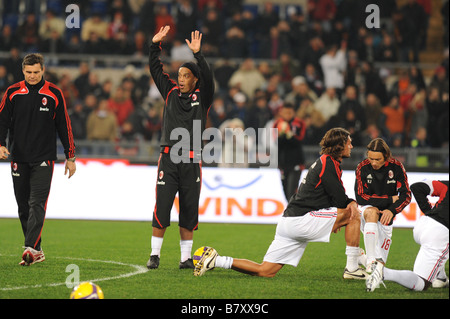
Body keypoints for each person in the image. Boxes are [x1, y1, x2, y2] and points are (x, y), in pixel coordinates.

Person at [194, 128, 367, 280]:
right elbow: (339, 198)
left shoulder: (324, 161)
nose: (351, 146)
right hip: (302, 220)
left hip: (288, 222)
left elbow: (328, 197)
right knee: (353, 214)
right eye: (349, 143)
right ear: (339, 145)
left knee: (265, 270)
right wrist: (349, 206)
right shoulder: (328, 163)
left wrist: (336, 217)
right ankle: (353, 267)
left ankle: (216, 260)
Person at [147, 26, 214, 270]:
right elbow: (156, 69)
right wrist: (155, 46)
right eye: (180, 76)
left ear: (195, 79)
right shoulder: (170, 93)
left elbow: (208, 78)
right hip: (169, 159)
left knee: (189, 210)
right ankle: (155, 255)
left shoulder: (203, 98)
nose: (181, 79)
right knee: (162, 207)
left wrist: (199, 55)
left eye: (186, 76)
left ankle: (185, 259)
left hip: (192, 161)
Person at [0, 53, 76, 266]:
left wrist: (71, 156)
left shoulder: (54, 93)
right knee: (23, 206)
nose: (32, 76)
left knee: (36, 203)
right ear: (23, 71)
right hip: (18, 156)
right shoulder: (13, 92)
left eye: (36, 72)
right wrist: (1, 144)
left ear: (43, 70)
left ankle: (30, 248)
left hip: (44, 158)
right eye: (28, 72)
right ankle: (38, 250)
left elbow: (64, 125)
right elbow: (2, 120)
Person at [366, 180, 449, 292]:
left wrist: (429, 212)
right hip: (440, 233)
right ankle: (384, 273)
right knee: (421, 283)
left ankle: (441, 278)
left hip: (423, 224)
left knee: (438, 253)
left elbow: (417, 186)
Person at [355, 138, 411, 273]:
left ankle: (362, 257)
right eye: (370, 159)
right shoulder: (362, 167)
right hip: (367, 211)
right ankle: (369, 261)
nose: (373, 163)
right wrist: (390, 199)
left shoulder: (397, 167)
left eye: (377, 159)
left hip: (387, 215)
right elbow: (361, 197)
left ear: (386, 156)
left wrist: (392, 210)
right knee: (372, 211)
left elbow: (406, 195)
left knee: (380, 267)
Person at [273, 103, 306, 201]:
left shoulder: (299, 123)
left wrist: (288, 133)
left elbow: (300, 140)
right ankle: (291, 213)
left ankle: (294, 213)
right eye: (285, 112)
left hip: (296, 162)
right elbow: (275, 141)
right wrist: (282, 134)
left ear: (293, 112)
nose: (287, 115)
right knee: (285, 191)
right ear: (281, 113)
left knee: (292, 191)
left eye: (289, 112)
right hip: (283, 162)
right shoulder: (276, 123)